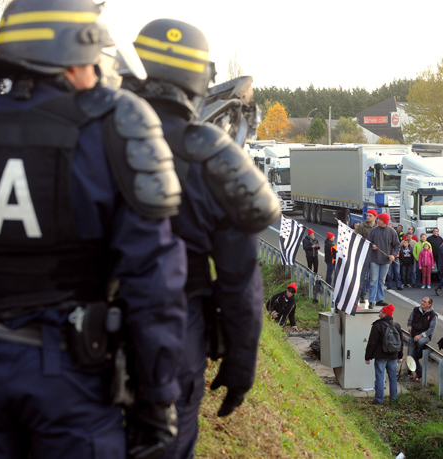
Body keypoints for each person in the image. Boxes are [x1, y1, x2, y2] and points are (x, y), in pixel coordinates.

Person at [0, 1, 188, 457]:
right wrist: (157, 396)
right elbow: (155, 282)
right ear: (77, 56)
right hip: (73, 380)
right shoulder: (110, 127)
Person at [126, 19, 281, 459]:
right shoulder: (211, 155)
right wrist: (240, 364)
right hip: (177, 333)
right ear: (199, 80)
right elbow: (238, 280)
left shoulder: (93, 136)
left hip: (86, 329)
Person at [365, 304, 404, 404]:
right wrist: (400, 356)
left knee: (379, 378)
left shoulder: (377, 326)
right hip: (393, 356)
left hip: (381, 356)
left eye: (381, 311)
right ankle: (394, 399)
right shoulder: (397, 325)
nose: (380, 312)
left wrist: (367, 357)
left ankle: (379, 400)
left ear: (385, 314)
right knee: (393, 378)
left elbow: (371, 343)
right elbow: (401, 342)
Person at [367, 213, 400, 308]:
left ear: (384, 221)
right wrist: (371, 245)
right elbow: (368, 242)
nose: (378, 221)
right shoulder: (374, 231)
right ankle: (371, 300)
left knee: (381, 281)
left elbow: (397, 245)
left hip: (386, 260)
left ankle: (380, 299)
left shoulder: (392, 232)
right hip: (374, 259)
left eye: (380, 220)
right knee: (373, 280)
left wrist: (393, 255)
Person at [407, 297, 438, 381]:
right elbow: (409, 321)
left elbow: (431, 330)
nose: (422, 303)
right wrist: (410, 331)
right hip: (414, 335)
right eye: (422, 301)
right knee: (410, 354)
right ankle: (416, 371)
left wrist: (420, 335)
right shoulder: (416, 310)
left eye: (425, 302)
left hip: (425, 336)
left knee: (420, 342)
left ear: (429, 305)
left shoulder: (433, 315)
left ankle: (418, 355)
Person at [357, 209, 377, 302]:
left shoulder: (378, 226)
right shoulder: (362, 226)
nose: (368, 217)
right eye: (367, 215)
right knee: (364, 277)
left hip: (376, 255)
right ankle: (362, 296)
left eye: (370, 215)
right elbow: (357, 239)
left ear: (375, 217)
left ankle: (374, 298)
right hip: (364, 254)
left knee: (374, 278)